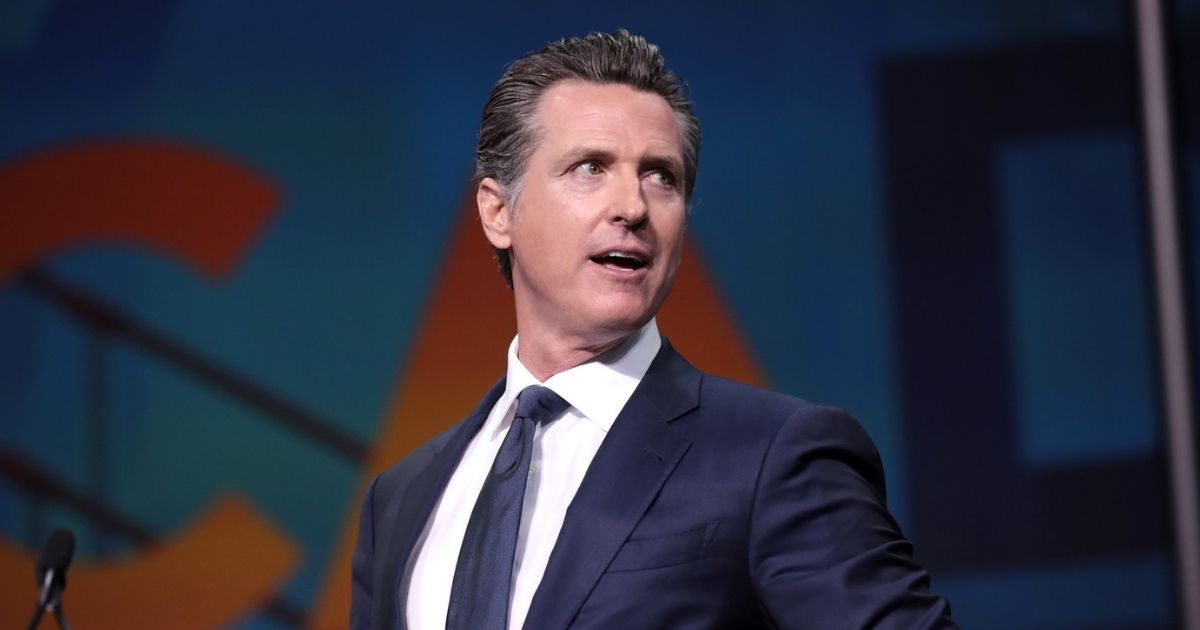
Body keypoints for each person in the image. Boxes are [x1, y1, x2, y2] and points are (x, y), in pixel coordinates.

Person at [350, 29, 955, 630]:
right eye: (590, 167)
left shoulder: (775, 455)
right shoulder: (401, 499)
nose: (633, 207)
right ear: (498, 211)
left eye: (661, 176)